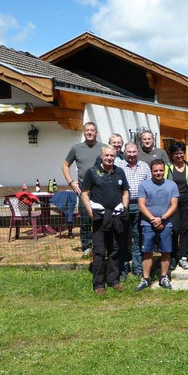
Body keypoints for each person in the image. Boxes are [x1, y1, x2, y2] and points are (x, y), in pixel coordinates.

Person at [80, 145, 129, 295]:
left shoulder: (119, 172)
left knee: (115, 249)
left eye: (112, 156)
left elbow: (125, 192)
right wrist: (90, 212)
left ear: (115, 157)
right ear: (101, 156)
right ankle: (98, 284)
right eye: (106, 155)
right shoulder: (92, 172)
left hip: (116, 217)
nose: (109, 158)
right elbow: (84, 193)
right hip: (100, 218)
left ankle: (113, 280)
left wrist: (124, 208)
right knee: (99, 251)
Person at [62, 121, 104, 257]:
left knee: (101, 219)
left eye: (92, 130)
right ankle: (86, 246)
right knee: (85, 220)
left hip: (101, 191)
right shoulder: (76, 148)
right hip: (84, 191)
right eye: (87, 130)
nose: (90, 132)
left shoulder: (103, 148)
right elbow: (65, 165)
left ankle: (101, 244)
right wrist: (71, 182)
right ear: (84, 132)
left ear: (96, 133)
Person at [136, 159, 179, 292]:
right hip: (147, 223)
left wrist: (162, 219)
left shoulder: (172, 185)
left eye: (161, 170)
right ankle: (146, 278)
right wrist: (153, 219)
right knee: (147, 251)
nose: (158, 173)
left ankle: (164, 277)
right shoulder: (144, 185)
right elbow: (141, 204)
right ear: (151, 171)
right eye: (155, 170)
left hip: (166, 223)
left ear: (164, 170)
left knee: (166, 251)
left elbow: (174, 205)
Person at [118, 142, 151, 280]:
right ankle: (124, 268)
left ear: (138, 152)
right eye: (129, 152)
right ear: (125, 152)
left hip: (140, 206)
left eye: (134, 152)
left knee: (138, 237)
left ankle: (137, 268)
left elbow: (150, 186)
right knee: (123, 237)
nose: (131, 154)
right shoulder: (118, 166)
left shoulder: (144, 166)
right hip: (123, 205)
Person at [165, 142, 188, 270]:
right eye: (176, 153)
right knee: (174, 229)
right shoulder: (168, 167)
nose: (179, 155)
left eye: (181, 152)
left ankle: (183, 257)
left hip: (186, 202)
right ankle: (173, 256)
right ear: (172, 154)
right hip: (172, 202)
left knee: (184, 229)